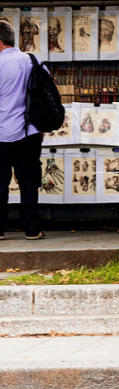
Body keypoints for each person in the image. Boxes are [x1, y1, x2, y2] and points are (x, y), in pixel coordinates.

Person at [0, 20, 45, 240]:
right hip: (29, 134)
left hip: (0, 135)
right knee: (28, 182)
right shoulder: (33, 61)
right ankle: (31, 229)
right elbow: (45, 97)